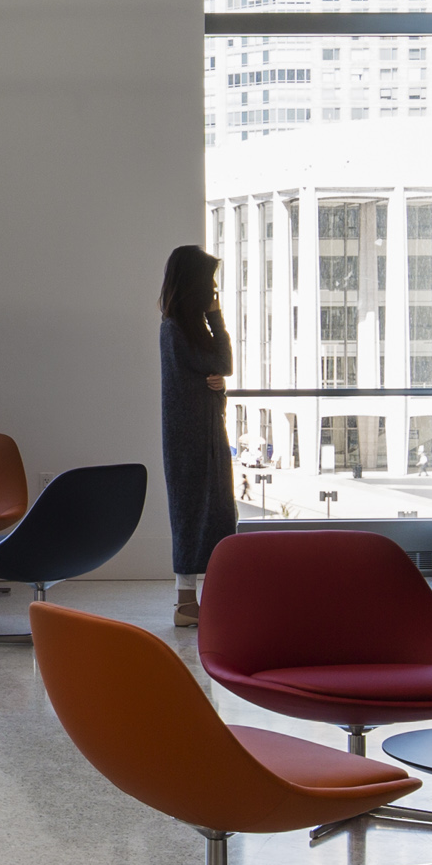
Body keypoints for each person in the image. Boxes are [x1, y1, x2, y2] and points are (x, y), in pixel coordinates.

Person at [159, 244, 236, 630]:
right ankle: (186, 602)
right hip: (189, 441)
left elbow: (222, 367)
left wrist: (218, 384)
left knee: (219, 515)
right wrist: (217, 317)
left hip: (206, 435)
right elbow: (218, 362)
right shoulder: (173, 329)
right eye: (209, 282)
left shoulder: (189, 328)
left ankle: (207, 600)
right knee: (192, 516)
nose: (214, 289)